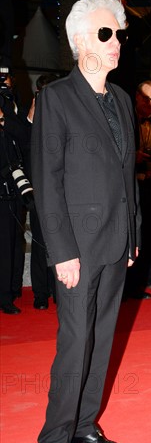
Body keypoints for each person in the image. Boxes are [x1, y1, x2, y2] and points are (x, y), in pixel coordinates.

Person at [31, 0, 140, 443]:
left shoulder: (121, 99)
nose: (116, 41)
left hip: (117, 242)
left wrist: (133, 232)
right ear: (79, 42)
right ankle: (54, 439)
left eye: (117, 33)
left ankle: (85, 427)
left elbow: (126, 176)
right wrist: (62, 253)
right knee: (75, 342)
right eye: (105, 33)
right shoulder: (55, 98)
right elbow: (47, 181)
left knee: (101, 340)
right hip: (78, 245)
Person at [123, 79, 151, 297]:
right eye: (148, 98)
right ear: (137, 97)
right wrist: (133, 158)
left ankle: (145, 281)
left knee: (150, 233)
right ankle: (128, 286)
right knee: (132, 235)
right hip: (128, 187)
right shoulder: (124, 119)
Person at [26, 74, 59, 309]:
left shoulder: (63, 115)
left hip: (60, 190)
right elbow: (23, 139)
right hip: (38, 190)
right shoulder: (31, 120)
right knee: (39, 244)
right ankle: (40, 294)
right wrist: (32, 114)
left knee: (59, 243)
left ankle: (59, 292)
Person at [0, 85, 31, 314]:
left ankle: (7, 293)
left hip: (10, 189)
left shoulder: (10, 106)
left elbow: (23, 134)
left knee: (9, 243)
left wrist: (3, 119)